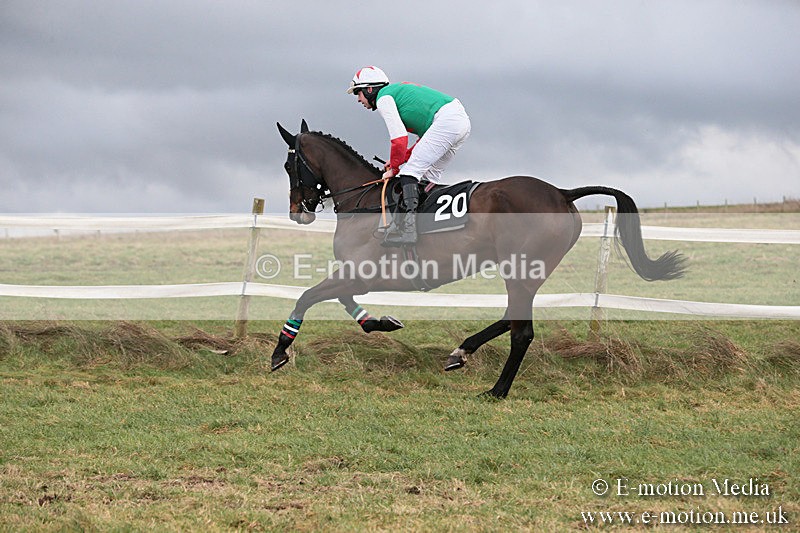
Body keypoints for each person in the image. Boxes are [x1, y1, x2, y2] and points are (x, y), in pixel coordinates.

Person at [347, 66, 471, 246]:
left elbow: (398, 139)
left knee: (409, 173)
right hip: (459, 122)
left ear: (370, 89)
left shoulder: (384, 99)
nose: (358, 99)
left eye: (358, 93)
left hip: (448, 121)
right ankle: (429, 227)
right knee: (428, 177)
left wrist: (395, 168)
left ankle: (408, 230)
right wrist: (400, 159)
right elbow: (423, 142)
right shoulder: (395, 94)